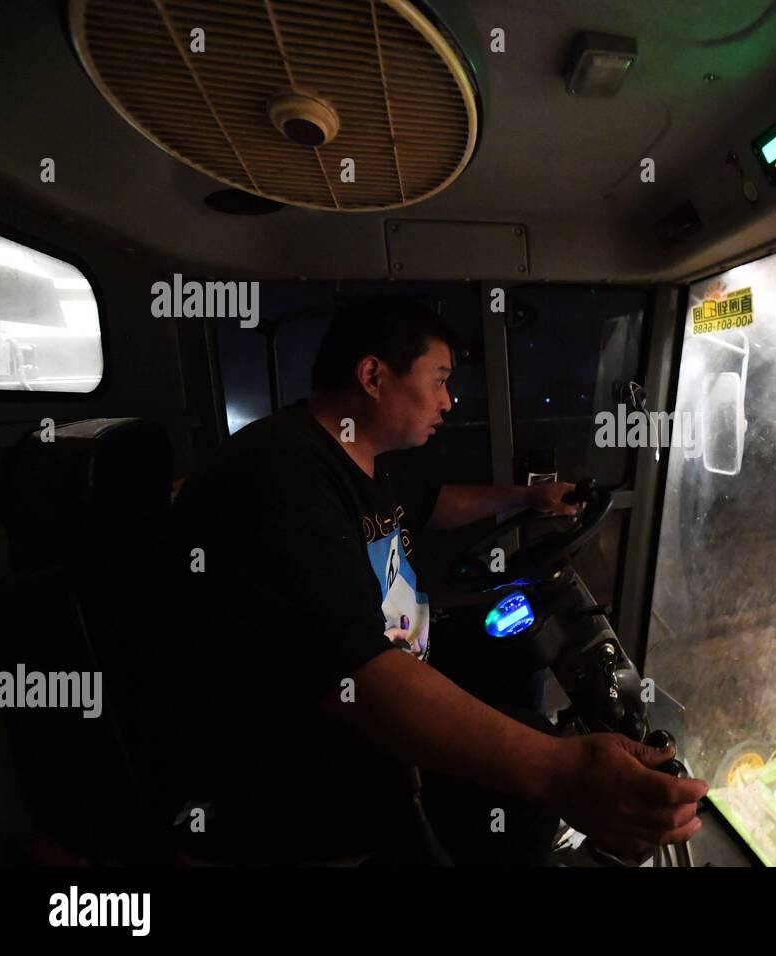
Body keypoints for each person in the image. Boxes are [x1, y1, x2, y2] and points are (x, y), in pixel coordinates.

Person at [168, 294, 705, 865]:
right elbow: (356, 676)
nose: (450, 402)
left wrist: (529, 497)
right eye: (440, 379)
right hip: (315, 770)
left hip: (382, 699)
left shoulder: (361, 456)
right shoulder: (281, 474)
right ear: (373, 375)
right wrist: (559, 773)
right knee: (529, 774)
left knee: (523, 693)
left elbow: (435, 504)